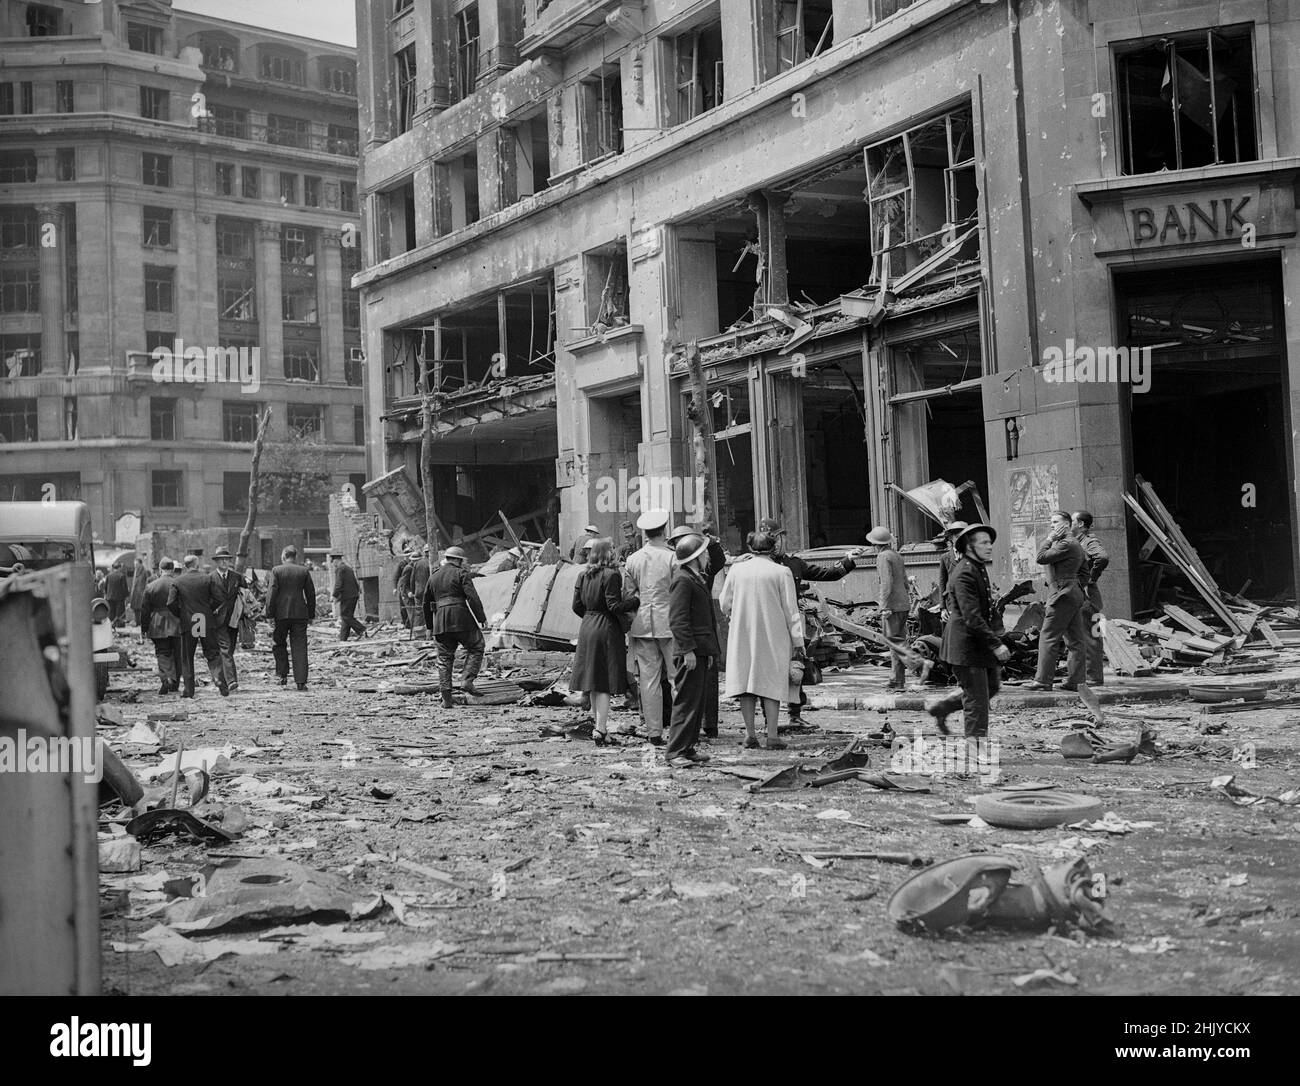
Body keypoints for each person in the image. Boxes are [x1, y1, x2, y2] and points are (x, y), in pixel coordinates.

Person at [761, 518, 856, 726]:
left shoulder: (794, 563)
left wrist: (847, 560)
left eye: (777, 538)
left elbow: (826, 573)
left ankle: (795, 714)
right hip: (767, 626)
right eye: (771, 539)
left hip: (792, 624)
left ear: (783, 538)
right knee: (768, 671)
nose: (775, 543)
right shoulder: (758, 565)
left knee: (796, 668)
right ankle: (770, 719)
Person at [720, 530, 805, 750]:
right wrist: (798, 642)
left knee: (745, 684)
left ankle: (750, 734)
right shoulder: (782, 572)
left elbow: (724, 603)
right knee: (771, 683)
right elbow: (791, 610)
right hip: (773, 634)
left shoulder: (737, 570)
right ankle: (773, 735)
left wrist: (735, 613)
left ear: (750, 548)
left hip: (743, 632)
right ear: (772, 548)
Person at [926, 524, 1011, 737]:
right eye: (983, 543)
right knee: (977, 700)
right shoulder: (964, 573)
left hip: (976, 643)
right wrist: (996, 644)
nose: (989, 546)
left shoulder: (976, 567)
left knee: (991, 686)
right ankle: (975, 748)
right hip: (965, 645)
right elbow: (971, 616)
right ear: (969, 547)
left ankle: (942, 708)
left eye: (989, 542)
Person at [572, 538, 639, 744]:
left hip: (587, 627)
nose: (614, 553)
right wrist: (636, 600)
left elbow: (576, 606)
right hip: (606, 629)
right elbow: (614, 606)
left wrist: (591, 616)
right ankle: (600, 730)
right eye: (612, 550)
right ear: (607, 554)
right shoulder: (611, 575)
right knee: (604, 683)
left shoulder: (582, 575)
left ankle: (599, 728)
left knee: (592, 681)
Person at [667, 523, 727, 737]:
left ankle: (708, 725)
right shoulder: (680, 571)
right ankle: (683, 739)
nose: (677, 545)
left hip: (700, 635)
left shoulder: (699, 569)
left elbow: (718, 561)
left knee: (705, 684)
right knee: (686, 690)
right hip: (684, 634)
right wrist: (686, 647)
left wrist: (711, 543)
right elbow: (677, 616)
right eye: (675, 542)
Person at [622, 509, 676, 746]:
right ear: (664, 530)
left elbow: (628, 595)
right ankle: (680, 729)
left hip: (642, 624)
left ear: (644, 532)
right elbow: (679, 592)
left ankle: (654, 732)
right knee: (677, 678)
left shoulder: (633, 560)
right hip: (670, 623)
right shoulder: (673, 558)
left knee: (648, 679)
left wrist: (636, 616)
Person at [1025, 510, 1087, 691]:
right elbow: (1085, 571)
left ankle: (1043, 680)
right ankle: (1076, 681)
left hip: (1061, 593)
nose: (1051, 525)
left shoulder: (1065, 543)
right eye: (1050, 522)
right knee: (1075, 640)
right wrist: (1076, 586)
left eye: (1055, 522)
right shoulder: (1074, 543)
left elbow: (1040, 557)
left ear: (1066, 525)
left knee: (1048, 636)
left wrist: (1049, 538)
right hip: (1071, 592)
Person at [425, 545, 486, 708]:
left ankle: (446, 698)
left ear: (446, 559)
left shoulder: (434, 577)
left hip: (440, 622)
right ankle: (467, 681)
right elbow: (472, 597)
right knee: (476, 646)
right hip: (461, 619)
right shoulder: (461, 573)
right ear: (458, 560)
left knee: (444, 659)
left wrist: (430, 626)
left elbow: (426, 603)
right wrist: (481, 617)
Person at [174, 555, 227, 697]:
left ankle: (189, 690)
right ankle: (218, 678)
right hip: (205, 619)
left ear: (185, 566)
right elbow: (219, 598)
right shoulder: (208, 578)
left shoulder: (178, 581)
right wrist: (209, 609)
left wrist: (181, 613)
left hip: (188, 621)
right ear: (197, 565)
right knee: (212, 653)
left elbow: (170, 602)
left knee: (187, 656)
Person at [266, 545, 316, 690]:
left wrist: (269, 614)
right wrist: (311, 614)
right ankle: (301, 681)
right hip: (300, 614)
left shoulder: (276, 570)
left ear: (283, 556)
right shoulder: (304, 571)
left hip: (281, 614)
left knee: (279, 643)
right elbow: (310, 594)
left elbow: (271, 594)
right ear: (295, 557)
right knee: (300, 646)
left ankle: (282, 675)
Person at [868, 525, 910, 690]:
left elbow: (886, 583)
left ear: (876, 544)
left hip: (891, 606)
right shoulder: (896, 555)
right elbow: (905, 581)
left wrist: (883, 606)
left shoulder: (883, 557)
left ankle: (920, 664)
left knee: (894, 642)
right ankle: (897, 680)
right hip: (903, 604)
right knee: (897, 642)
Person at [1073, 510, 1108, 687]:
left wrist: (1091, 578)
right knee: (1086, 636)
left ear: (1080, 524)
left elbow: (1102, 557)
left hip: (1088, 598)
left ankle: (1094, 677)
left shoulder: (1088, 541)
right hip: (1085, 597)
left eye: (1072, 521)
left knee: (1091, 637)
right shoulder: (1077, 542)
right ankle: (1088, 676)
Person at [137, 558, 183, 695]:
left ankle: (166, 678)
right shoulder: (179, 584)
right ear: (173, 570)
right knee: (177, 654)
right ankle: (175, 684)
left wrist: (144, 629)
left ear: (160, 570)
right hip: (177, 623)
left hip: (157, 623)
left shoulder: (151, 586)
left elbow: (144, 610)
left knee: (162, 652)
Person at [208, 547, 243, 693]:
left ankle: (221, 678)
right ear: (216, 562)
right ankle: (231, 681)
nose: (225, 562)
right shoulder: (210, 578)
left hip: (234, 619)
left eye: (227, 559)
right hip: (218, 620)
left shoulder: (237, 577)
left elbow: (245, 595)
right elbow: (207, 599)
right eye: (221, 559)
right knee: (226, 649)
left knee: (229, 649)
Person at [331, 553, 368, 640]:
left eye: (333, 562)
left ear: (336, 560)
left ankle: (362, 629)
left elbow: (338, 583)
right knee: (347, 617)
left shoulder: (340, 569)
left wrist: (334, 595)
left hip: (347, 596)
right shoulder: (348, 568)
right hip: (353, 595)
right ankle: (343, 638)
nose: (333, 564)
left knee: (345, 616)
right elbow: (354, 582)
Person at [937, 521, 969, 619]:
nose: (959, 539)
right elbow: (942, 583)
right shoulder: (945, 558)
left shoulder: (973, 556)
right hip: (952, 602)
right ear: (951, 538)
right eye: (956, 536)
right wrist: (942, 608)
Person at [104, 561, 129, 628]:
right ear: (119, 567)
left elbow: (105, 586)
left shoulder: (108, 576)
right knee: (119, 613)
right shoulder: (122, 576)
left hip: (110, 597)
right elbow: (124, 587)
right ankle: (119, 625)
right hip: (119, 597)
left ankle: (111, 625)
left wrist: (107, 594)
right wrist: (126, 596)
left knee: (111, 612)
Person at [394, 547, 414, 628]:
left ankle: (411, 623)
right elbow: (396, 576)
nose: (407, 558)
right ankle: (407, 624)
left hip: (410, 586)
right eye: (406, 556)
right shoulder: (402, 564)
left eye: (409, 556)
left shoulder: (414, 564)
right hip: (403, 587)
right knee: (403, 607)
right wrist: (395, 588)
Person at [129, 557, 149, 626]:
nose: (135, 566)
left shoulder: (145, 572)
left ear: (141, 564)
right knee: (135, 609)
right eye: (134, 564)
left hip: (141, 594)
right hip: (135, 594)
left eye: (136, 564)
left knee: (141, 609)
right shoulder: (135, 571)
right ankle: (137, 622)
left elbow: (147, 582)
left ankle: (142, 622)